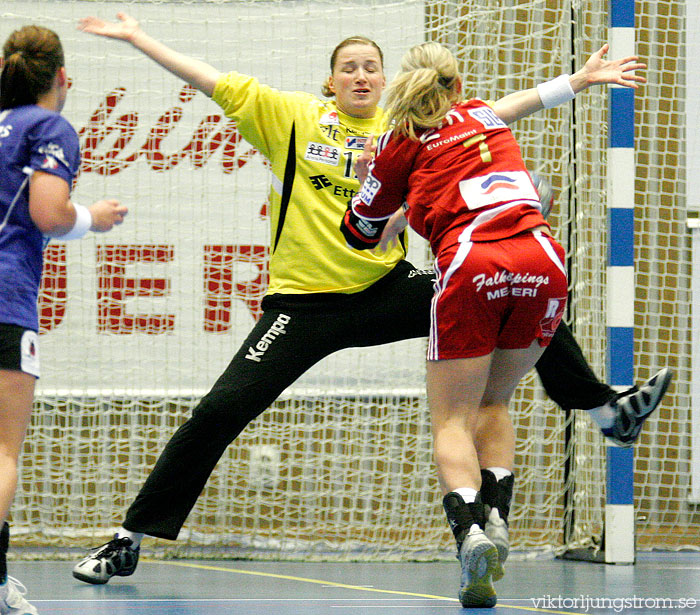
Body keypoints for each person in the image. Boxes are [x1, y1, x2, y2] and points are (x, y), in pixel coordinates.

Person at [71, 12, 669, 588]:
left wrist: (576, 82)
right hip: (304, 305)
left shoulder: (405, 127)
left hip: (386, 288)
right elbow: (207, 78)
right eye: (349, 67)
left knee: (508, 292)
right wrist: (138, 36)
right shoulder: (292, 116)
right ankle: (129, 539)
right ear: (329, 81)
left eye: (372, 67)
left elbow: (496, 111)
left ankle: (601, 408)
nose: (361, 75)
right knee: (220, 412)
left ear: (388, 80)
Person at [339, 41, 645, 607]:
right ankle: (499, 519)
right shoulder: (478, 112)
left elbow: (360, 234)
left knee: (452, 419)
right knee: (495, 404)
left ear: (403, 89)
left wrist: (370, 180)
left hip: (473, 264)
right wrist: (579, 80)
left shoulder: (395, 142)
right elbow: (518, 104)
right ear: (455, 87)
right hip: (544, 259)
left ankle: (472, 531)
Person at [0, 25, 128, 615]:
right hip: (5, 301)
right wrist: (93, 218)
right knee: (1, 451)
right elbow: (48, 211)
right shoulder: (49, 127)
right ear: (61, 78)